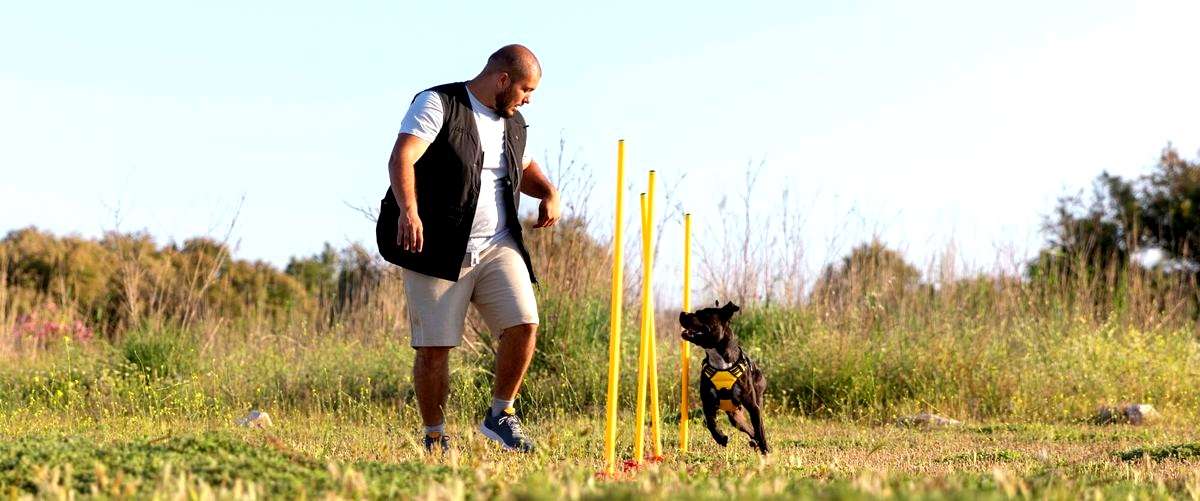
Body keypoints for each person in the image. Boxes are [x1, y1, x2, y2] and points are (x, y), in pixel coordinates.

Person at [383, 44, 560, 453]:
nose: (528, 99)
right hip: (437, 247)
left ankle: (501, 415)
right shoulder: (438, 103)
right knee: (435, 349)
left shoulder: (513, 122)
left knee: (524, 322)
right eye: (525, 89)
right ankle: (435, 435)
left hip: (499, 244)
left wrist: (547, 190)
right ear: (502, 80)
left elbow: (524, 167)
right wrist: (409, 211)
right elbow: (403, 157)